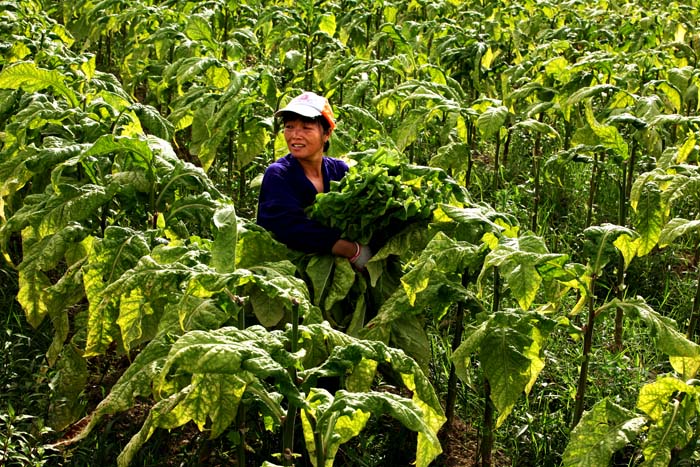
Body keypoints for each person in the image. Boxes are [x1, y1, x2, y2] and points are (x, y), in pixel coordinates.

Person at [257, 91, 371, 269]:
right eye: (289, 127)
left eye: (306, 128)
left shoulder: (340, 171)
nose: (295, 135)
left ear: (326, 133)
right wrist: (351, 250)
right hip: (288, 273)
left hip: (339, 272)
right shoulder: (278, 174)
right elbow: (289, 228)